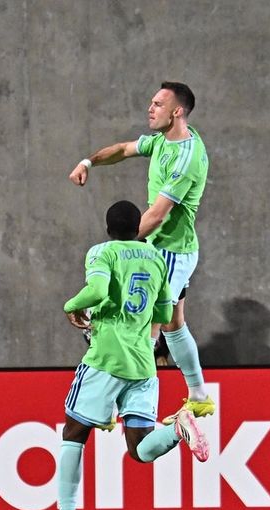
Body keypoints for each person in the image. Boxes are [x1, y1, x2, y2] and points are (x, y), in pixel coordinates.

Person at [40, 200, 209, 510]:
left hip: (106, 359)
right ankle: (178, 429)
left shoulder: (102, 252)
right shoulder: (157, 259)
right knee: (139, 450)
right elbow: (163, 314)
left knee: (73, 433)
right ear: (138, 228)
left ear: (108, 228)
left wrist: (71, 305)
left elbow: (99, 289)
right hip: (144, 363)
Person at [68, 81, 214, 424]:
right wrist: (88, 161)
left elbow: (157, 214)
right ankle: (198, 397)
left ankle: (124, 409)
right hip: (163, 247)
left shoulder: (186, 158)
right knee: (174, 325)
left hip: (171, 252)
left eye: (157, 104)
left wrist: (120, 248)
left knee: (146, 329)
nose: (150, 109)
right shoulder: (163, 140)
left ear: (176, 111)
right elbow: (122, 149)